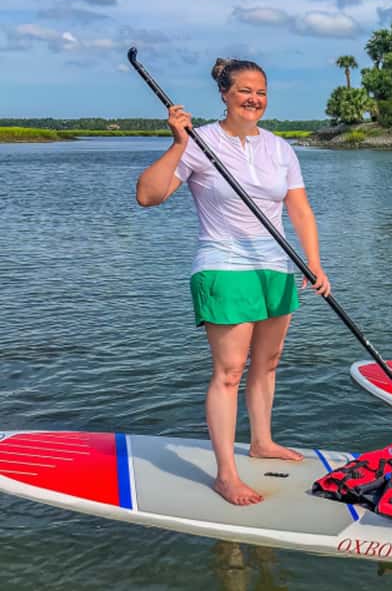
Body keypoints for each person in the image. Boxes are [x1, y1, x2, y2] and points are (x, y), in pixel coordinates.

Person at [135, 58, 330, 505]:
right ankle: (226, 473)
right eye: (244, 90)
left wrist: (314, 263)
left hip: (277, 267)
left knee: (268, 363)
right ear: (224, 94)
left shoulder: (281, 148)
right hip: (224, 265)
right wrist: (177, 143)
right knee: (229, 372)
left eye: (260, 91)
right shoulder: (200, 142)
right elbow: (148, 195)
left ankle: (262, 442)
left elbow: (300, 210)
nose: (254, 99)